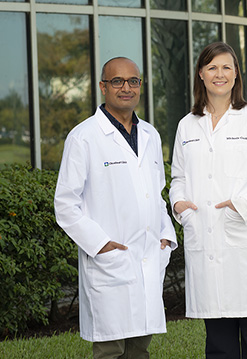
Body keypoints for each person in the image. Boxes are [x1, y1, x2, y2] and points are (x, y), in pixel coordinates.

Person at [169, 42, 247, 359]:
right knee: (219, 342)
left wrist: (242, 205)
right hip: (206, 242)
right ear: (201, 74)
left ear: (236, 74)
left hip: (245, 242)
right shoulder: (187, 125)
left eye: (226, 67)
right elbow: (178, 178)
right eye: (212, 67)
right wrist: (180, 204)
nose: (219, 74)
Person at [54, 57, 177, 359]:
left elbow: (157, 194)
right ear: (103, 87)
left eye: (133, 81)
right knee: (110, 349)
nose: (126, 88)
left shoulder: (150, 134)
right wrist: (101, 244)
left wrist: (165, 235)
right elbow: (65, 204)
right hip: (110, 260)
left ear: (140, 87)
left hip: (147, 254)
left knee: (140, 347)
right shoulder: (83, 137)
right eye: (117, 81)